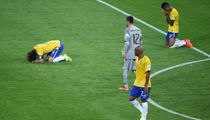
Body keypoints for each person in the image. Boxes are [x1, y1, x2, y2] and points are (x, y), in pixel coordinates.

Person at [119, 16, 142, 91]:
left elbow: (127, 44)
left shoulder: (127, 30)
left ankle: (126, 86)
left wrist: (124, 53)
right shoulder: (138, 29)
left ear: (128, 21)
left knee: (125, 68)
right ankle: (141, 83)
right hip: (137, 52)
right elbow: (140, 42)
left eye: (126, 21)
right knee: (134, 69)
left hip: (130, 53)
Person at [129, 46, 151, 120]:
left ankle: (143, 118)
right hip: (137, 83)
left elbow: (148, 73)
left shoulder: (146, 60)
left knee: (143, 100)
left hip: (144, 84)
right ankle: (143, 111)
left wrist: (146, 86)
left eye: (135, 51)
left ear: (139, 52)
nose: (134, 52)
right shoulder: (137, 59)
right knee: (131, 98)